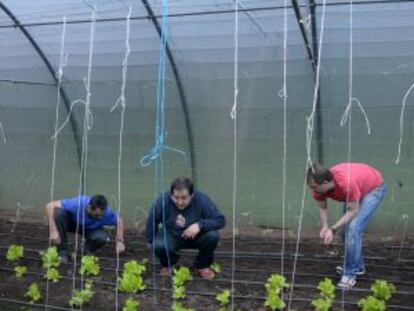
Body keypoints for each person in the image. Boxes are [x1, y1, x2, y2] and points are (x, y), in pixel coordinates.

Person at [307, 163, 386, 289]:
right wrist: (325, 226)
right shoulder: (319, 188)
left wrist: (333, 229)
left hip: (373, 187)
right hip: (357, 187)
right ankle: (358, 267)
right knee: (344, 233)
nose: (313, 190)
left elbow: (353, 211)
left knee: (353, 229)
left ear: (325, 182)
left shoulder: (345, 184)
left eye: (315, 187)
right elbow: (322, 207)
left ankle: (349, 274)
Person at [146, 177, 226, 279]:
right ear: (171, 195)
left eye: (184, 198)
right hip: (172, 235)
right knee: (158, 245)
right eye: (176, 197)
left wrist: (199, 225)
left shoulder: (202, 200)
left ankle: (202, 265)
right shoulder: (162, 201)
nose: (179, 202)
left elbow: (220, 220)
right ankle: (169, 264)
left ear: (191, 195)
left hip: (196, 236)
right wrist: (150, 240)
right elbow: (152, 220)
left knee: (212, 236)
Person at [45, 194, 125, 263]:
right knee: (59, 214)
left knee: (102, 237)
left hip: (90, 230)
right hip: (73, 223)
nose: (100, 217)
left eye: (102, 215)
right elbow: (49, 206)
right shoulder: (78, 203)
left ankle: (87, 251)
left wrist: (120, 241)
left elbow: (119, 222)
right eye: (97, 215)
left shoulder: (107, 213)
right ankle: (62, 251)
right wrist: (53, 231)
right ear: (89, 208)